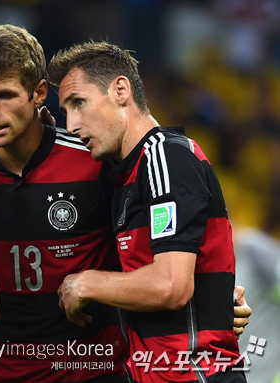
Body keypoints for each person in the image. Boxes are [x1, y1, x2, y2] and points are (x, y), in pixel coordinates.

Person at [0, 25, 251, 383]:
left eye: (4, 95)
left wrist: (214, 295)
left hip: (101, 371)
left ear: (38, 94)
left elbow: (169, 270)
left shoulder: (109, 160)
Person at [49, 41, 246, 382]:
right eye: (66, 110)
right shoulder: (122, 176)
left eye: (79, 103)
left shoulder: (164, 157)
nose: (71, 125)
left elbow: (170, 286)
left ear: (121, 90)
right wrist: (214, 295)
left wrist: (86, 283)